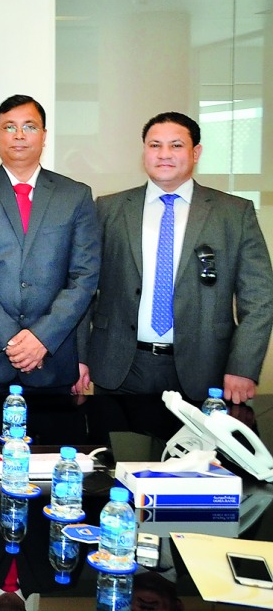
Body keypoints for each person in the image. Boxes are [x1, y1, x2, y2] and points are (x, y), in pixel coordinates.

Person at [86, 111, 273, 403]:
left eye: (176, 145)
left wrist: (244, 366)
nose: (164, 154)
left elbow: (260, 299)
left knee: (198, 451)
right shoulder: (109, 209)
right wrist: (81, 357)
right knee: (120, 450)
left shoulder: (234, 213)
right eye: (154, 145)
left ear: (195, 152)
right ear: (144, 151)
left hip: (206, 369)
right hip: (120, 366)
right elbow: (84, 288)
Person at [0, 95, 99, 395]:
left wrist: (41, 338)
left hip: (52, 359)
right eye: (9, 127)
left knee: (55, 443)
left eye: (29, 126)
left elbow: (84, 276)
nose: (19, 135)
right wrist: (11, 340)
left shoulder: (75, 195)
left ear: (44, 135)